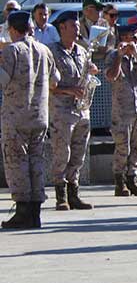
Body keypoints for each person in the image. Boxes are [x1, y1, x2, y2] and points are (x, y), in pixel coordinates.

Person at [0, 11, 57, 229]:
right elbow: (55, 81)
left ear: (13, 29)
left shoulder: (12, 50)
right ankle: (36, 211)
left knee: (17, 161)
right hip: (39, 115)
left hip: (16, 117)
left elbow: (3, 80)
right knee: (36, 161)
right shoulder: (44, 50)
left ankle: (23, 210)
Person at [47, 11, 97, 211]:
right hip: (61, 110)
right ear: (62, 28)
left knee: (79, 153)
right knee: (62, 152)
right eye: (73, 26)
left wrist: (91, 70)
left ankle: (74, 193)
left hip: (81, 109)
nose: (77, 29)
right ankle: (61, 195)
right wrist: (68, 90)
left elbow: (85, 74)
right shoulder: (51, 51)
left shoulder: (82, 51)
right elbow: (46, 83)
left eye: (78, 26)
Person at [105, 22, 137, 197]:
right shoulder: (112, 56)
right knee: (123, 148)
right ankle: (119, 181)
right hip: (122, 110)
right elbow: (110, 76)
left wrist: (136, 55)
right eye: (132, 37)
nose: (135, 40)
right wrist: (119, 56)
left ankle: (133, 179)